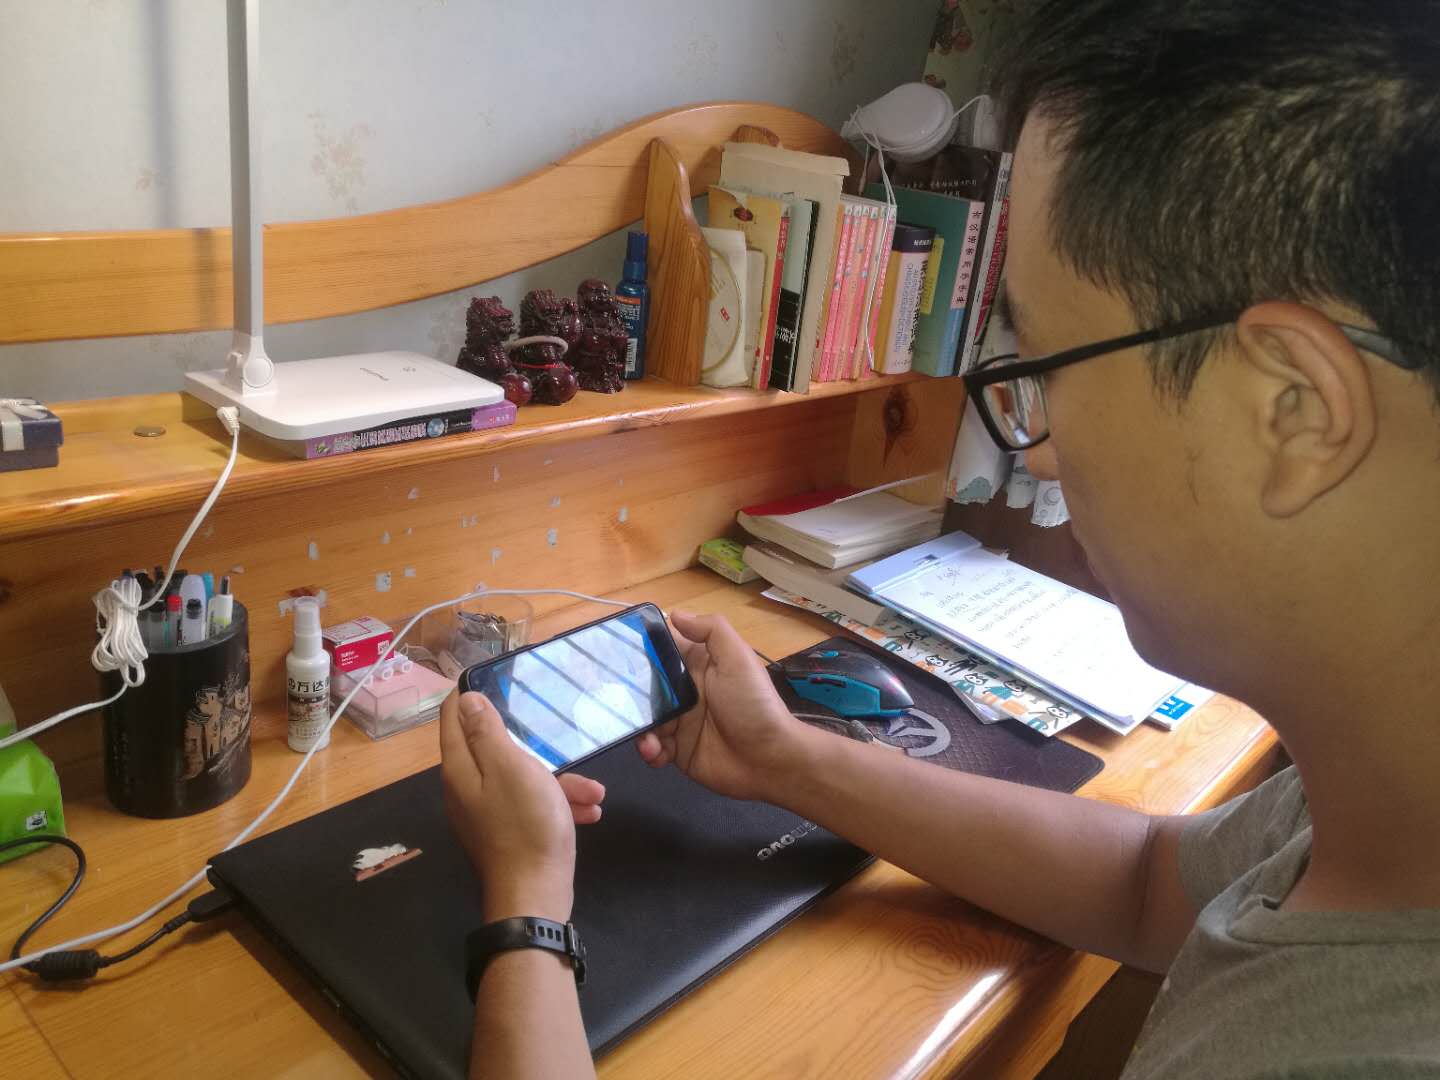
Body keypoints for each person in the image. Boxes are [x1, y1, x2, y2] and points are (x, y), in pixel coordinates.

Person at [440, 1, 1440, 1075]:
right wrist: (787, 758)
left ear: (1291, 409)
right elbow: (1150, 881)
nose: (1040, 457)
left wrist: (527, 909)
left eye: (1044, 367)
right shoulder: (1379, 797)